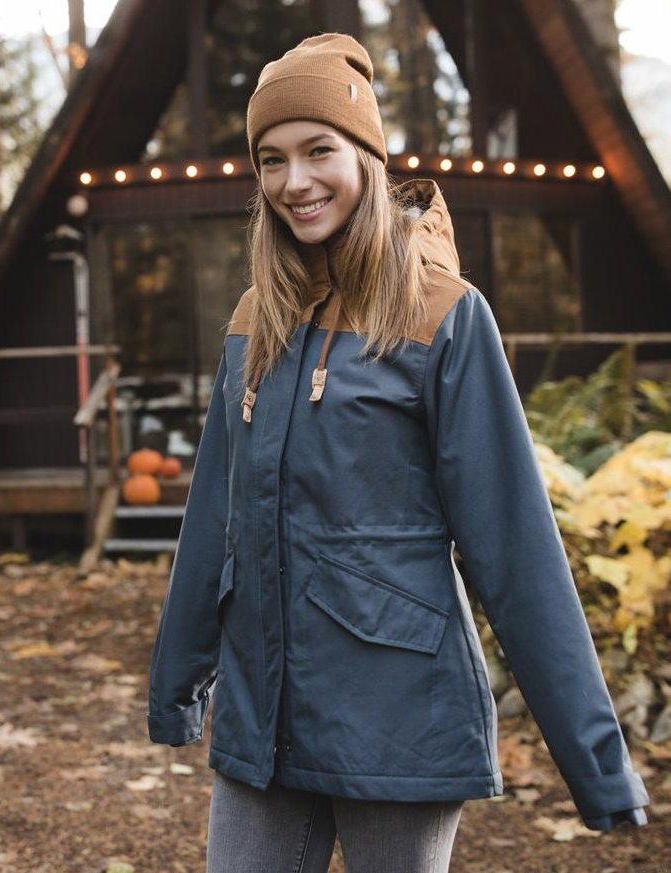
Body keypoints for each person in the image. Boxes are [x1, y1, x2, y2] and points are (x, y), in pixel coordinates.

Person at [147, 32, 650, 873]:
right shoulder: (253, 317)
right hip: (262, 716)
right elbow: (213, 516)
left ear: (367, 156)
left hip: (400, 719)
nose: (295, 181)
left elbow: (513, 547)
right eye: (272, 159)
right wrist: (176, 684)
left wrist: (596, 765)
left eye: (319, 150)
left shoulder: (442, 314)